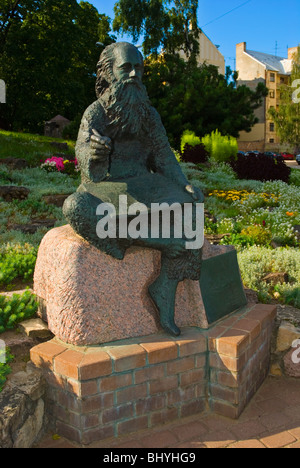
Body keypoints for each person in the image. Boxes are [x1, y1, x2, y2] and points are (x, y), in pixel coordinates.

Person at [63, 42, 204, 337]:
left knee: (193, 206)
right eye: (126, 67)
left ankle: (165, 288)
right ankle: (156, 240)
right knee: (75, 207)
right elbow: (84, 159)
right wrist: (95, 152)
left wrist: (185, 185)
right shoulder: (95, 113)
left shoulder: (149, 114)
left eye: (138, 68)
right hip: (107, 190)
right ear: (110, 73)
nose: (133, 74)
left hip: (146, 187)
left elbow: (164, 157)